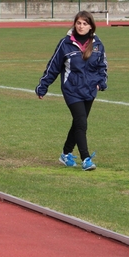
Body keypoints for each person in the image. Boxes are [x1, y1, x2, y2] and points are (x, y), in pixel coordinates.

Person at [36, 10, 108, 171]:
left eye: (85, 23)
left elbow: (102, 66)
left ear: (91, 26)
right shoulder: (65, 43)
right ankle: (86, 159)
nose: (81, 26)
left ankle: (66, 154)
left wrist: (101, 83)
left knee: (78, 123)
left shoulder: (97, 44)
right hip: (72, 90)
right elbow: (53, 66)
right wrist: (43, 86)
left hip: (89, 90)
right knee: (82, 123)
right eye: (78, 23)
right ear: (74, 24)